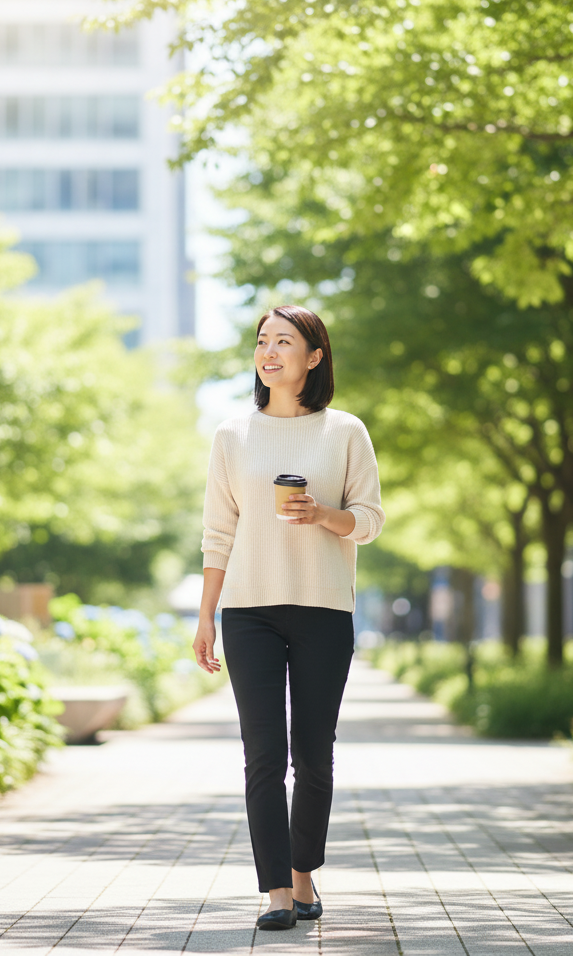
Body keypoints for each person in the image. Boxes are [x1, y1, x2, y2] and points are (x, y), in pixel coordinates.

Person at [193, 305, 384, 931]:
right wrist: (206, 617)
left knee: (314, 756)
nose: (269, 352)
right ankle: (276, 891)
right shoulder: (232, 435)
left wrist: (323, 514)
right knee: (263, 756)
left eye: (284, 341)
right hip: (248, 611)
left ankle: (304, 875)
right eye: (262, 341)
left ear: (314, 356)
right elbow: (218, 534)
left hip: (323, 608)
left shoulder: (345, 431)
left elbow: (370, 520)